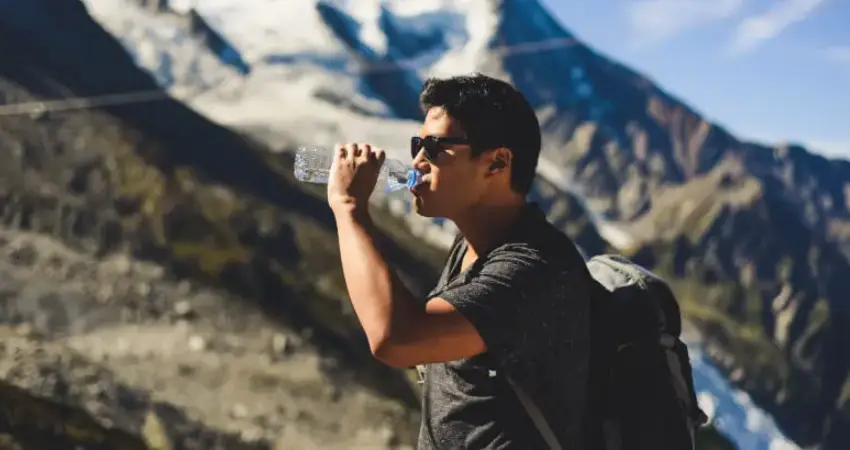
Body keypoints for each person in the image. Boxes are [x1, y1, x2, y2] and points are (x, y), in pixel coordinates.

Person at [327, 73, 596, 449]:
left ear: (497, 163)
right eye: (418, 144)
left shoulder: (532, 268)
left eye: (434, 148)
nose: (417, 161)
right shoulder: (474, 245)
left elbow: (397, 338)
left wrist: (349, 208)